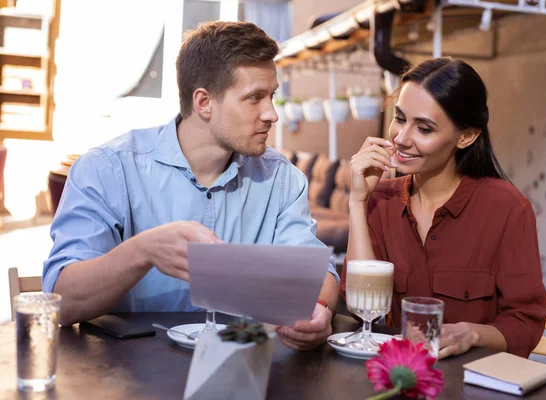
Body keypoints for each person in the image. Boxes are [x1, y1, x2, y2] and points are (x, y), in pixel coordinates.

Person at [42, 21, 339, 351]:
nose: (271, 114)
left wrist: (319, 312)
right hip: (126, 376)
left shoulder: (282, 179)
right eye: (254, 98)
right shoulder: (107, 168)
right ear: (204, 102)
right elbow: (61, 302)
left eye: (271, 96)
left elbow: (320, 280)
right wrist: (144, 251)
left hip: (240, 371)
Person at [343, 58, 546, 359]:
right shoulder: (379, 200)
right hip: (396, 378)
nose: (401, 138)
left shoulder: (508, 209)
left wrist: (473, 333)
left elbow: (525, 322)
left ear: (466, 136)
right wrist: (357, 203)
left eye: (424, 129)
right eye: (400, 118)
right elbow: (359, 306)